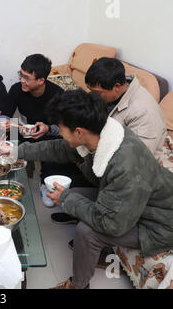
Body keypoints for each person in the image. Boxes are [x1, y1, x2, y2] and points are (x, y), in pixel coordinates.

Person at [17, 89, 173, 289]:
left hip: (158, 221)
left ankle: (79, 285)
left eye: (61, 128)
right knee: (74, 195)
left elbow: (111, 224)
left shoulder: (126, 165)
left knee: (86, 231)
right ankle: (95, 256)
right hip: (131, 203)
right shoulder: (100, 133)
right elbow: (59, 148)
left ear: (79, 132)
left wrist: (66, 199)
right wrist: (16, 151)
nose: (60, 133)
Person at [51, 57, 168, 225]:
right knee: (65, 153)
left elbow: (135, 163)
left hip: (133, 172)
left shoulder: (144, 112)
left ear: (117, 87)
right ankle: (78, 210)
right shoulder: (112, 95)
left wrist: (89, 153)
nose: (93, 96)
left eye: (96, 93)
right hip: (106, 150)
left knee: (75, 164)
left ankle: (89, 218)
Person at [6, 54, 94, 207]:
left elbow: (65, 127)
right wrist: (5, 122)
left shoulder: (57, 94)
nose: (21, 80)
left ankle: (46, 182)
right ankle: (9, 178)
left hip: (48, 134)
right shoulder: (17, 90)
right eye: (21, 75)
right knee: (8, 138)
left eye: (26, 78)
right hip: (22, 131)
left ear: (41, 80)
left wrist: (47, 128)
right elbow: (5, 113)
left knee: (55, 146)